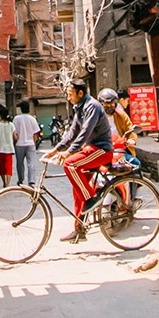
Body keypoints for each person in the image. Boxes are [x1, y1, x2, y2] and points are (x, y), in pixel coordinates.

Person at [45, 82, 114, 242]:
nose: (68, 98)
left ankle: (92, 198)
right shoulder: (79, 109)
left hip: (101, 150)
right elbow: (72, 132)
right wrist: (56, 150)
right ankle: (79, 228)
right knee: (77, 189)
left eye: (70, 94)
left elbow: (85, 132)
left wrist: (69, 152)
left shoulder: (92, 106)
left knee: (69, 164)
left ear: (80, 93)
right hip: (90, 150)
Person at [11, 99, 41, 185]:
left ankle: (20, 179)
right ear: (29, 109)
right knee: (31, 163)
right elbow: (35, 133)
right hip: (30, 144)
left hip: (19, 144)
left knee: (19, 163)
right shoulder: (32, 119)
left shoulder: (16, 119)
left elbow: (14, 132)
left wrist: (15, 141)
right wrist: (34, 142)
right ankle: (31, 181)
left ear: (21, 109)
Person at [0, 112, 17, 188]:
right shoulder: (11, 125)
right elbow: (15, 136)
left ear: (0, 116)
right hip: (9, 149)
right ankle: (7, 184)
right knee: (8, 167)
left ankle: (4, 183)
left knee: (2, 167)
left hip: (0, 149)